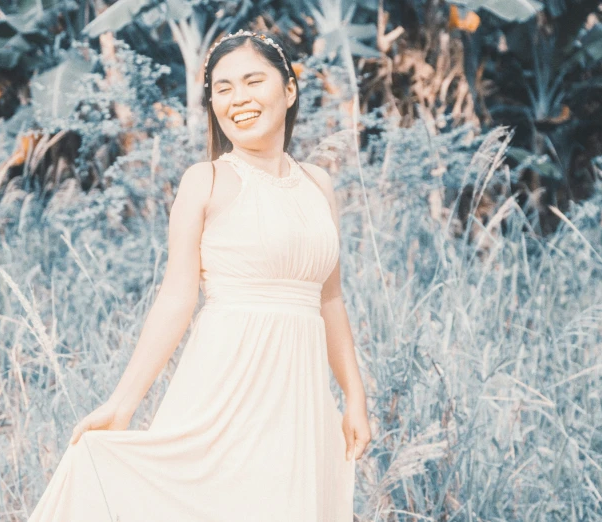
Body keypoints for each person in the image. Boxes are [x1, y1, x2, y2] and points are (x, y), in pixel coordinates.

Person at [27, 29, 371, 522]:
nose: (238, 99)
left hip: (301, 398)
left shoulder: (320, 185)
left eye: (253, 81)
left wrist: (354, 399)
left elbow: (330, 300)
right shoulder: (205, 181)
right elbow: (176, 298)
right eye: (223, 88)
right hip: (225, 387)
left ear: (289, 89)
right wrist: (122, 403)